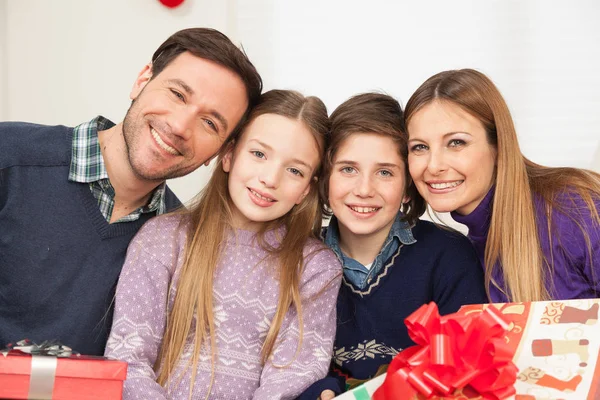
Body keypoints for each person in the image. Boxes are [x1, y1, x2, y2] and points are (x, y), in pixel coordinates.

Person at [0, 28, 262, 356]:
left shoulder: (185, 246)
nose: (180, 126)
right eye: (178, 94)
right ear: (142, 80)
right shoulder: (8, 156)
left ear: (220, 153)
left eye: (210, 123)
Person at [104, 90, 342, 399]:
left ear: (305, 189)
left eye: (294, 170)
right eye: (259, 154)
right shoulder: (163, 240)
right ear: (229, 154)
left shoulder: (315, 268)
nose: (270, 178)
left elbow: (295, 372)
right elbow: (128, 358)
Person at [299, 93, 488, 399]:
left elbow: (469, 365)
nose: (364, 189)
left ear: (408, 189)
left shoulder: (449, 255)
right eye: (348, 169)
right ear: (325, 180)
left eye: (385, 172)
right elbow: (286, 362)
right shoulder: (299, 259)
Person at [405, 68, 600, 303]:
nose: (434, 166)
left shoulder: (578, 209)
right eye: (419, 147)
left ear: (498, 145)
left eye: (456, 143)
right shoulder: (460, 256)